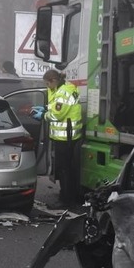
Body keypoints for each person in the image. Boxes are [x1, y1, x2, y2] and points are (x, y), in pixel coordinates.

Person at [38, 69, 83, 207]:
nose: (47, 87)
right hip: (68, 136)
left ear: (53, 81)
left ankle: (66, 199)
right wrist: (46, 110)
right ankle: (70, 196)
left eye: (47, 84)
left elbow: (57, 115)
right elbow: (55, 107)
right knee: (68, 168)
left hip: (65, 137)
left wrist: (43, 116)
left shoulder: (63, 92)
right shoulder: (62, 89)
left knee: (64, 169)